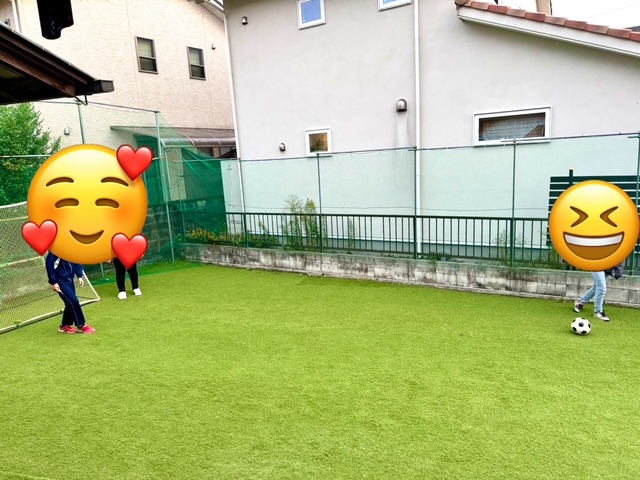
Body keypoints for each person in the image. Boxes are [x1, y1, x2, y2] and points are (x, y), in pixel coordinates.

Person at [46, 252, 96, 334]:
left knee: (69, 303)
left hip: (70, 280)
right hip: (60, 281)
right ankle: (81, 325)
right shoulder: (55, 250)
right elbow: (49, 265)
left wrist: (79, 276)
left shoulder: (71, 248)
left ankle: (64, 325)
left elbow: (77, 261)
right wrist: (53, 282)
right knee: (74, 301)